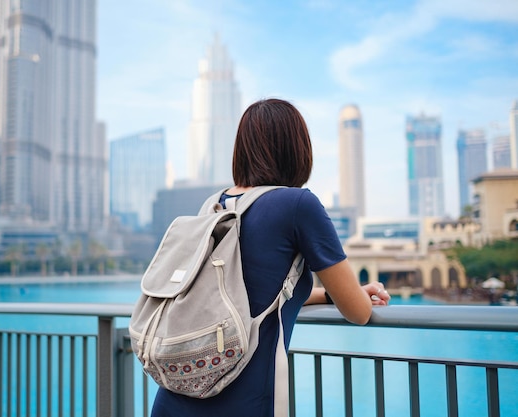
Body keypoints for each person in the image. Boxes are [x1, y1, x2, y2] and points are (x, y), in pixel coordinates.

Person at [151, 98, 390, 417]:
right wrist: (352, 295)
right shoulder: (298, 205)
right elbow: (359, 313)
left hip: (176, 397)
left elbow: (243, 296)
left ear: (243, 150)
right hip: (243, 404)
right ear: (297, 149)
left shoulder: (215, 205)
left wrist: (324, 295)